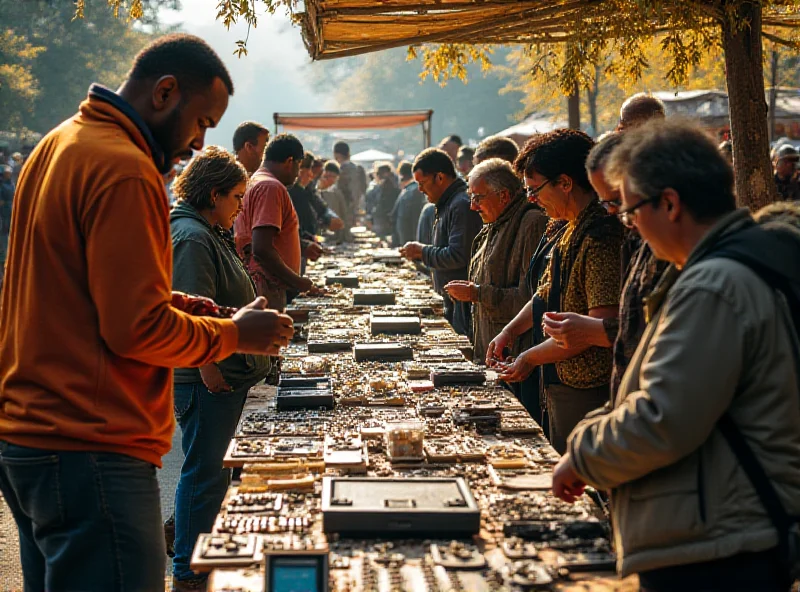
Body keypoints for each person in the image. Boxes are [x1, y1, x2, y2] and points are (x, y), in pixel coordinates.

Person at [0, 34, 295, 592]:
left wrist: (203, 311)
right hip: (87, 442)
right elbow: (134, 328)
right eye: (202, 121)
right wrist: (230, 334)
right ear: (165, 92)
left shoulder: (60, 142)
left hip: (30, 434)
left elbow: (91, 293)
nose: (197, 142)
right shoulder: (125, 167)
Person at [553, 119, 800, 591]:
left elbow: (663, 418)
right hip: (727, 533)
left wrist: (582, 454)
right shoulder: (732, 267)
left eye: (629, 213)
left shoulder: (714, 284)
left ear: (669, 203)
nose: (631, 227)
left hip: (718, 546)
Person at [169, 147, 271, 591]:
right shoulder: (191, 237)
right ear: (213, 194)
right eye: (235, 197)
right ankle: (188, 568)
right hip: (208, 379)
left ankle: (195, 547)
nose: (239, 207)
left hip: (224, 373)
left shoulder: (208, 229)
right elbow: (193, 315)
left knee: (210, 471)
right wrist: (211, 371)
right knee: (203, 472)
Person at [490, 129, 623, 454]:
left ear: (565, 182)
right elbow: (544, 293)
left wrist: (529, 357)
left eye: (535, 189)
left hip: (586, 387)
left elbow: (599, 329)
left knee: (583, 479)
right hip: (558, 378)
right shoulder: (568, 227)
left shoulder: (599, 236)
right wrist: (510, 331)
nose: (532, 199)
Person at [544, 131, 670, 400]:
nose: (614, 214)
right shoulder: (640, 243)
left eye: (618, 203)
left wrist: (594, 330)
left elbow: (657, 344)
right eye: (606, 203)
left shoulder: (605, 235)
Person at [444, 158, 546, 363]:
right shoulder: (494, 223)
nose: (473, 207)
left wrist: (477, 293)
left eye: (478, 198)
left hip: (515, 355)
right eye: (471, 197)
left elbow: (532, 298)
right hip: (491, 349)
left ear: (504, 196)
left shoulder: (531, 223)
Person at [234, 133, 322, 311]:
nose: (298, 174)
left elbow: (270, 237)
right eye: (299, 166)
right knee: (270, 336)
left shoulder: (256, 180)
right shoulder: (270, 187)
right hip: (267, 286)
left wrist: (302, 246)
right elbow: (262, 249)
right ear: (290, 162)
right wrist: (298, 282)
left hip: (258, 282)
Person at [399, 148, 483, 336]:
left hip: (464, 303)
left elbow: (458, 255)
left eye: (422, 183)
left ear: (440, 177)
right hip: (453, 299)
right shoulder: (447, 203)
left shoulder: (460, 204)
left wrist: (422, 251)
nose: (419, 189)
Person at [289, 151, 344, 240]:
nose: (312, 177)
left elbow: (320, 206)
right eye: (310, 172)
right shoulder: (292, 191)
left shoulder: (307, 189)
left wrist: (329, 218)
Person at [390, 160, 427, 246]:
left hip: (407, 236)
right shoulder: (414, 190)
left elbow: (395, 215)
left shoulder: (408, 191)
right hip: (413, 235)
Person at [333, 141, 367, 228]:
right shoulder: (357, 169)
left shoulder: (339, 170)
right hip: (352, 208)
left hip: (341, 209)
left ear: (336, 154)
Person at [317, 160, 351, 243]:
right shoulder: (314, 191)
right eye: (327, 176)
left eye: (333, 177)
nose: (330, 179)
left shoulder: (336, 192)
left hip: (333, 235)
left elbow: (343, 214)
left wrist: (346, 235)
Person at [365, 161, 400, 238]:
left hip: (382, 220)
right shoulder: (397, 186)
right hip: (390, 220)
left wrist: (369, 217)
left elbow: (371, 204)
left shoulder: (377, 188)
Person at [0, 165, 13, 261]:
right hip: (3, 212)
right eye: (7, 173)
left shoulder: (10, 183)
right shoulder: (2, 184)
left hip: (9, 210)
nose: (9, 175)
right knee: (4, 233)